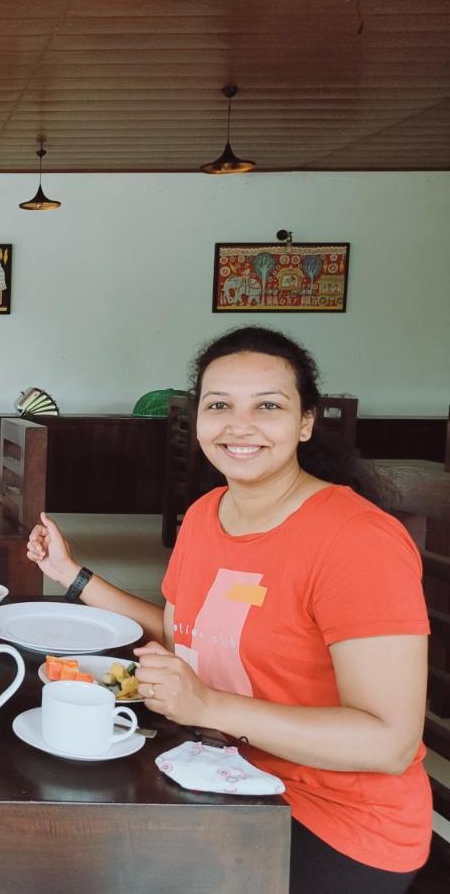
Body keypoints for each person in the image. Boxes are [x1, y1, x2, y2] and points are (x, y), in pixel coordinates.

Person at [27, 326, 430, 892]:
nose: (240, 426)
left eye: (268, 405)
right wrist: (73, 577)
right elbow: (183, 631)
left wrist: (209, 705)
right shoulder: (206, 513)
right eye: (219, 405)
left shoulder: (357, 540)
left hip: (333, 821)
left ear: (306, 422)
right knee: (54, 841)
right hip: (220, 774)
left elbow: (388, 744)